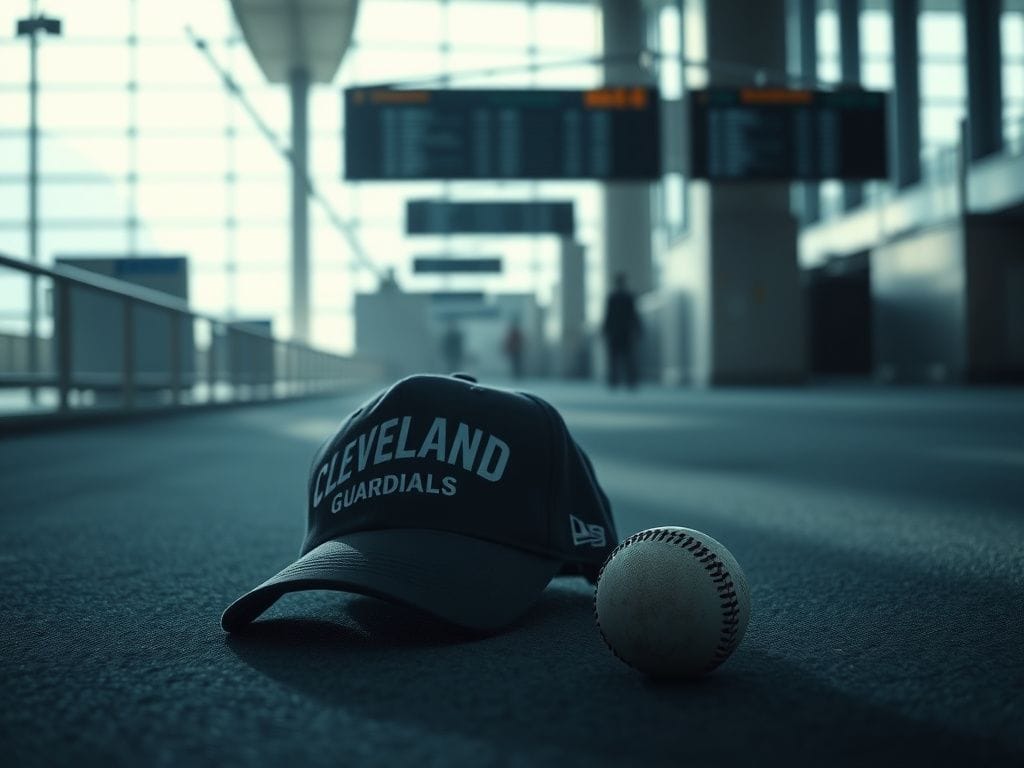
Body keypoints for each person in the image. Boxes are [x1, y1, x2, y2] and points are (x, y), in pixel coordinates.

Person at [601, 272, 641, 389]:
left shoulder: (612, 297)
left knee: (615, 359)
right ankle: (630, 382)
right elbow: (634, 315)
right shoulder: (628, 297)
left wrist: (605, 330)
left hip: (615, 332)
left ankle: (614, 381)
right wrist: (638, 329)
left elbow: (608, 315)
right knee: (627, 358)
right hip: (626, 332)